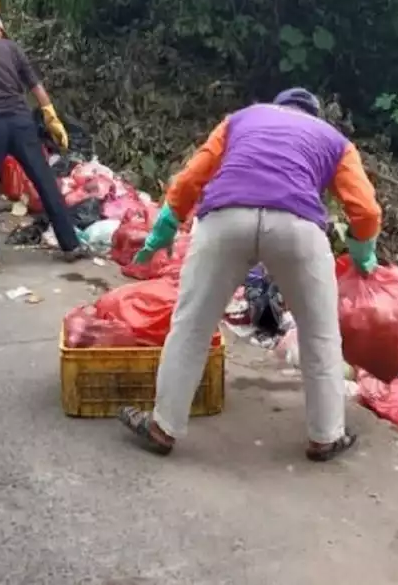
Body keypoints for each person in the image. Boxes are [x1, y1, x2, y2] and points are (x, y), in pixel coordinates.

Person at [117, 88, 382, 462]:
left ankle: (163, 427)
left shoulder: (242, 118)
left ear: (277, 105)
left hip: (225, 218)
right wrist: (362, 252)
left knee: (192, 324)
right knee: (320, 333)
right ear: (315, 114)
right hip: (298, 227)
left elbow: (192, 177)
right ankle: (326, 436)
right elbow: (366, 210)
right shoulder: (335, 141)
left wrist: (167, 223)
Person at [0, 11, 86, 269]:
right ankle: (71, 245)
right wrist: (51, 116)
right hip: (22, 124)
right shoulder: (12, 48)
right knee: (45, 181)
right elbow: (35, 85)